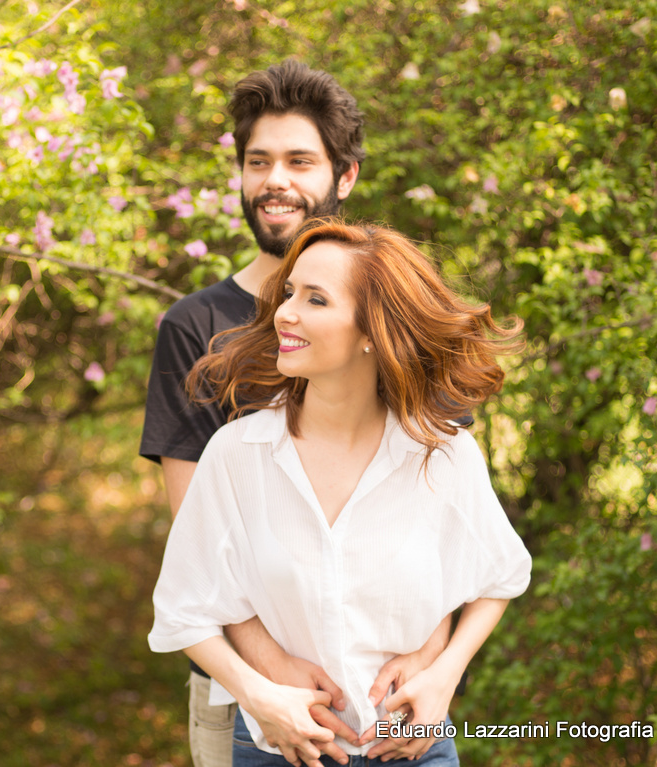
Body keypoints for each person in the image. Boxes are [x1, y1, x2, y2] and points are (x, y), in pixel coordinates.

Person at [140, 61, 455, 766]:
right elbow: (197, 538)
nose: (275, 180)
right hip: (250, 703)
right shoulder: (194, 328)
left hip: (392, 706)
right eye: (258, 161)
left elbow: (446, 522)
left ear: (344, 177)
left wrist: (432, 662)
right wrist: (270, 671)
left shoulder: (396, 313)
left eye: (299, 160)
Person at [149, 220, 532, 766]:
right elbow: (182, 610)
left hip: (410, 748)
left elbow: (501, 577)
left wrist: (445, 673)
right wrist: (262, 696)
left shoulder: (441, 454)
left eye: (316, 299)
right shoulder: (239, 453)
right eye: (288, 293)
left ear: (371, 331)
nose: (284, 312)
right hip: (280, 748)